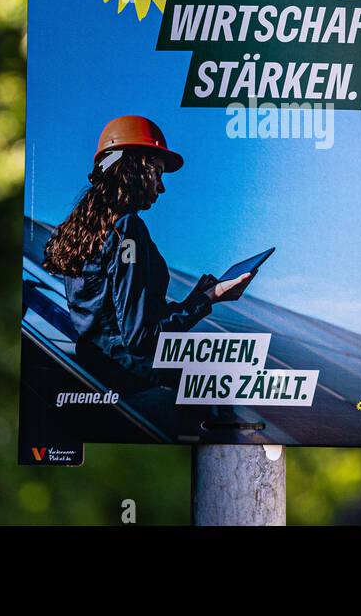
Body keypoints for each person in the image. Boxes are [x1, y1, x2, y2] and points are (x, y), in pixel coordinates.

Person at [41, 116, 252, 432]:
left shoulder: (87, 230)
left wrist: (198, 299)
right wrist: (212, 297)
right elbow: (141, 339)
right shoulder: (128, 229)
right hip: (131, 380)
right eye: (158, 172)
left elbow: (122, 322)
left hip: (99, 369)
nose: (162, 187)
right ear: (134, 168)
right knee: (219, 386)